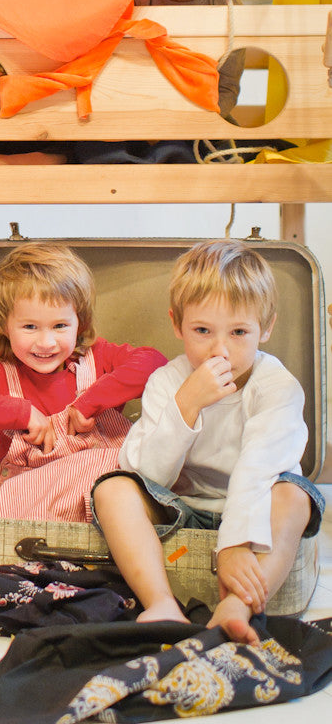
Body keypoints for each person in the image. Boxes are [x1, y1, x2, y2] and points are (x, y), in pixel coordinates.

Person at [91, 239, 325, 645]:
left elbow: (260, 468)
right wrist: (186, 405)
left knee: (296, 497)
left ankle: (238, 603)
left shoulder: (276, 387)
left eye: (239, 332)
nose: (220, 350)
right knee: (112, 489)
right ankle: (161, 601)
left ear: (265, 327)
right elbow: (147, 475)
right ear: (177, 325)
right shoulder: (168, 381)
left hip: (258, 509)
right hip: (185, 507)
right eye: (202, 331)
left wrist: (235, 544)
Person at [0, 243, 166, 521]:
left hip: (105, 508)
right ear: (3, 325)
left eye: (60, 326)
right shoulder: (1, 376)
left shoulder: (99, 359)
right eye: (30, 327)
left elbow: (154, 363)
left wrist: (89, 404)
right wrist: (22, 413)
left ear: (79, 323)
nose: (46, 343)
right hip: (34, 508)